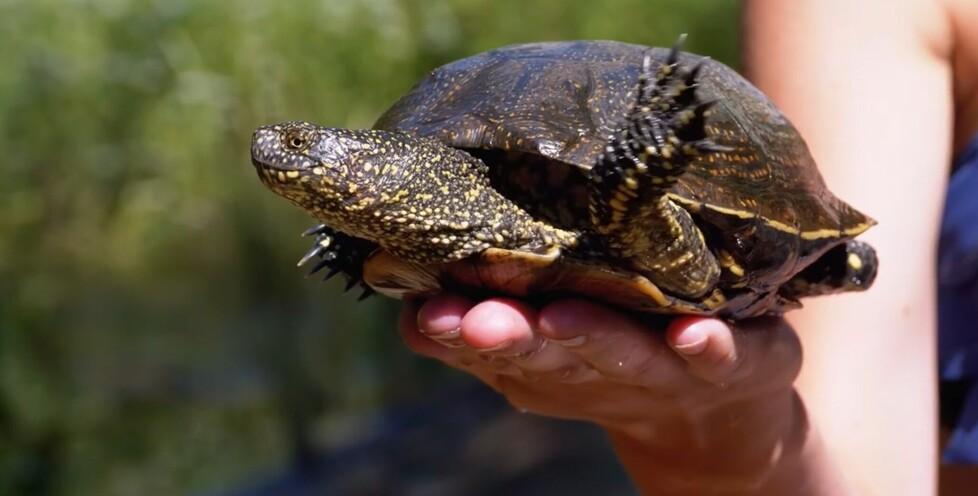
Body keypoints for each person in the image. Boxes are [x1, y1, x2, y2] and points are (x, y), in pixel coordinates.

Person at [399, 0, 978, 493]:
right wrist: (718, 429)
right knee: (627, 213)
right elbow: (864, 461)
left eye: (302, 144)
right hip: (622, 231)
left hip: (662, 218)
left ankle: (635, 188)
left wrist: (632, 182)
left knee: (629, 209)